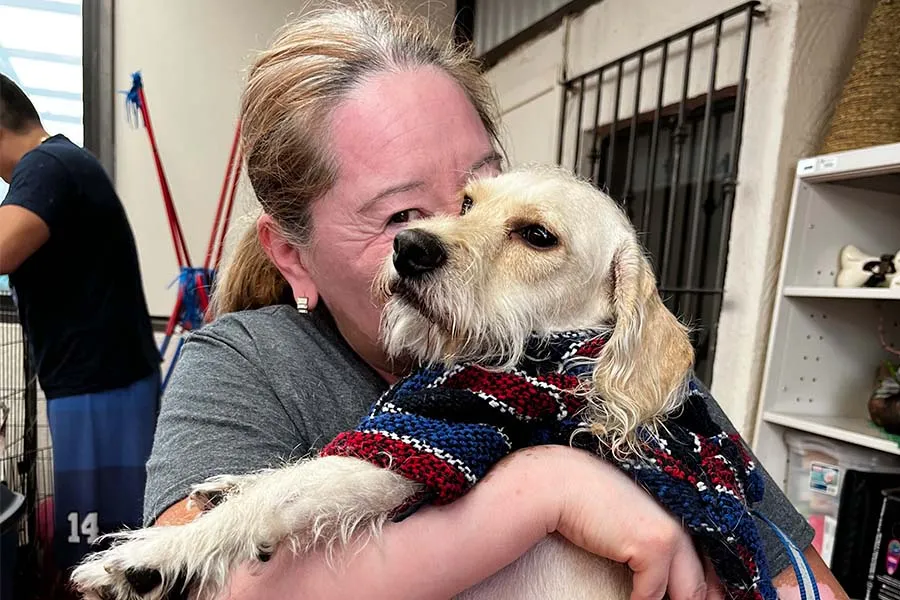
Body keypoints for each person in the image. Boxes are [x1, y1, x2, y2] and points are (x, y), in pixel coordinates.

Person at [142, 5, 847, 600]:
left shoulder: (607, 360)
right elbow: (178, 579)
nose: (449, 234)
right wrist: (545, 490)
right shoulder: (252, 362)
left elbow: (800, 581)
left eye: (484, 194)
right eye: (401, 217)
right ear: (292, 255)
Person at [0, 74, 162, 574]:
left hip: (101, 391)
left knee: (104, 558)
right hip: (102, 385)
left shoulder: (47, 167)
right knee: (105, 549)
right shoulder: (63, 162)